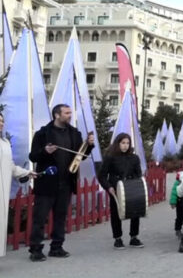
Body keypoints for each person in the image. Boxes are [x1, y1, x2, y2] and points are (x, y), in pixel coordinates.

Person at [28, 104, 95, 262]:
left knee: (60, 217)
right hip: (46, 183)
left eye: (70, 112)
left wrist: (89, 146)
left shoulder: (74, 133)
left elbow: (80, 157)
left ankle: (56, 247)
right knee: (40, 217)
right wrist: (45, 152)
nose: (69, 115)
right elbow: (33, 156)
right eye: (66, 113)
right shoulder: (43, 133)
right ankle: (35, 249)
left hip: (66, 182)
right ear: (57, 115)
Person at [97, 133, 144, 249]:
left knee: (135, 211)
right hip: (115, 188)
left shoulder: (134, 158)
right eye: (123, 143)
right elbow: (102, 176)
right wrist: (109, 187)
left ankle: (134, 237)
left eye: (127, 143)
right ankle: (117, 239)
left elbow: (138, 174)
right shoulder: (110, 157)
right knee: (116, 213)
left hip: (131, 187)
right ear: (118, 143)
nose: (125, 146)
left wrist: (138, 184)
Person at [1, 112, 36, 258]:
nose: (1, 123)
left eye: (2, 121)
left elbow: (11, 166)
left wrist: (27, 172)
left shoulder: (5, 143)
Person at [169, 167, 183, 239]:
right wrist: (173, 202)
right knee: (180, 217)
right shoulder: (178, 181)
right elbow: (174, 192)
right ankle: (178, 229)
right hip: (180, 203)